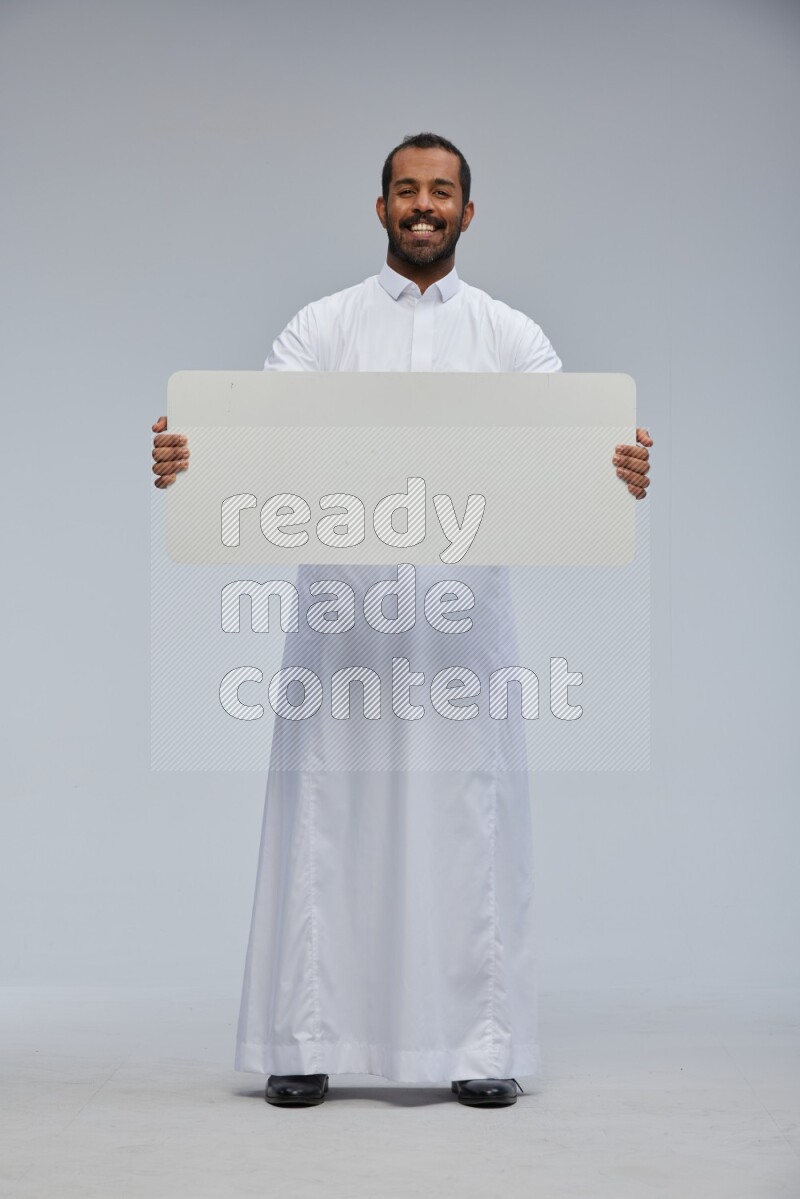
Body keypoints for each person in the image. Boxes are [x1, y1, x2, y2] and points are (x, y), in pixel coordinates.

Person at [152, 133, 652, 1109]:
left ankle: (478, 1041)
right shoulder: (319, 328)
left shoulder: (510, 338)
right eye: (405, 189)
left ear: (468, 212)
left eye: (442, 191)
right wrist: (192, 463)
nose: (422, 205)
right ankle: (303, 1036)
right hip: (341, 627)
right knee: (323, 821)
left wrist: (615, 471)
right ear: (378, 207)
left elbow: (568, 461)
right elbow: (255, 448)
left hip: (462, 633)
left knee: (468, 823)